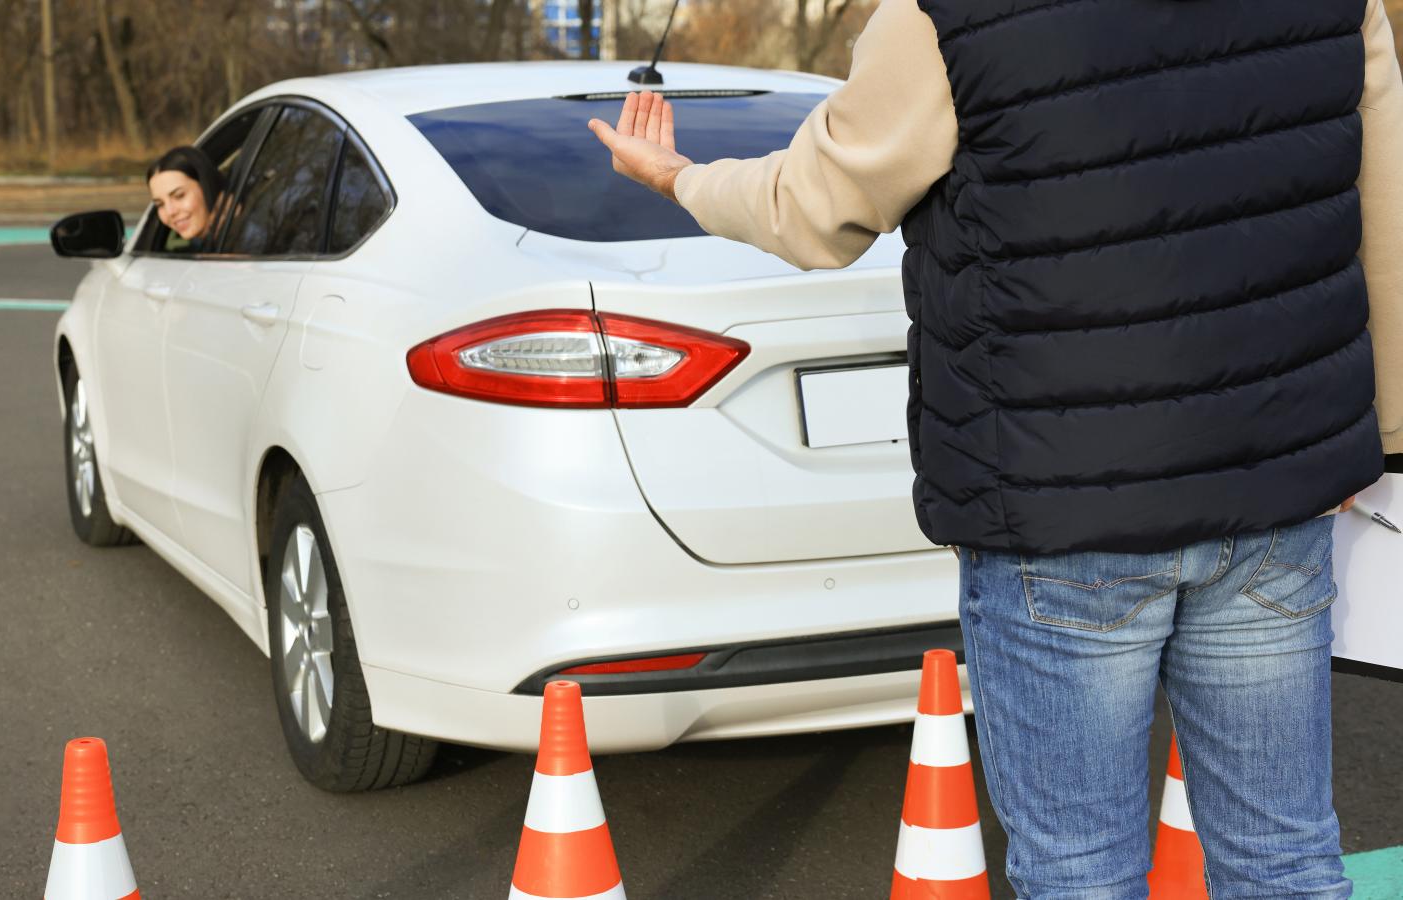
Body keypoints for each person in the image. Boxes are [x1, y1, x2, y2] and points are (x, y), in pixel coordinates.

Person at [589, 0, 1401, 897]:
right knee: (1285, 857)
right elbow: (1388, 222)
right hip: (1276, 487)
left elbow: (812, 209)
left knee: (1080, 870)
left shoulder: (940, 15)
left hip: (1058, 511)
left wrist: (679, 179)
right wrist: (1384, 441)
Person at [145, 146, 228, 252]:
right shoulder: (208, 244)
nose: (170, 212)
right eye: (160, 204)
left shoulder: (246, 239)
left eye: (179, 196)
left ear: (207, 186)